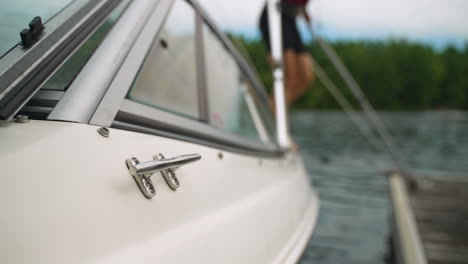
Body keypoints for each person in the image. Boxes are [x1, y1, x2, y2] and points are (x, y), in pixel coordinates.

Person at [259, 0, 315, 107]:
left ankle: (276, 108)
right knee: (288, 75)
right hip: (274, 15)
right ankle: (274, 109)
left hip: (290, 20)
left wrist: (304, 12)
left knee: (306, 77)